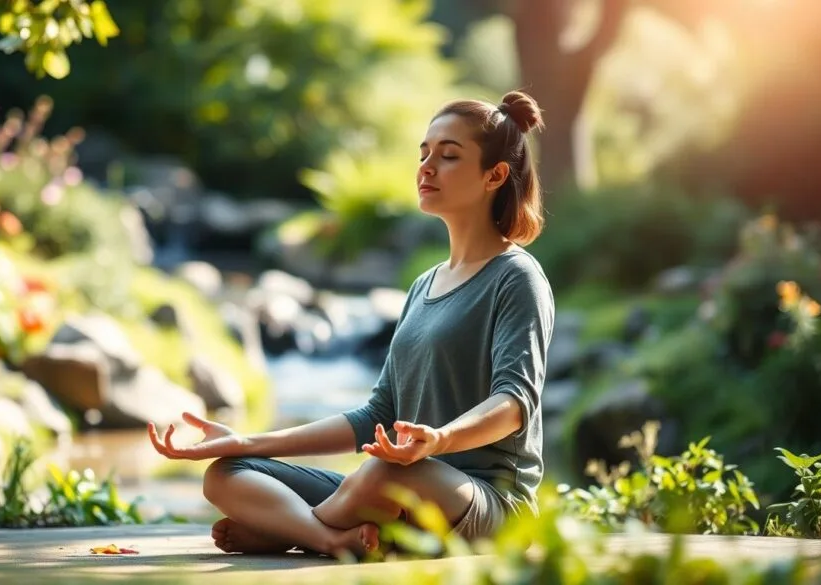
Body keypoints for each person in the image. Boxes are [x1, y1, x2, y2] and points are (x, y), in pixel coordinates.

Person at [148, 90, 554, 558]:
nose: (426, 168)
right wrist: (247, 440)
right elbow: (375, 416)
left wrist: (439, 440)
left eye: (448, 156)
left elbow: (513, 404)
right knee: (228, 472)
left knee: (385, 474)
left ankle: (286, 531)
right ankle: (327, 537)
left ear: (495, 175)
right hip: (402, 486)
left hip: (488, 506)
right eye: (423, 154)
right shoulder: (424, 285)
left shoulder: (517, 278)